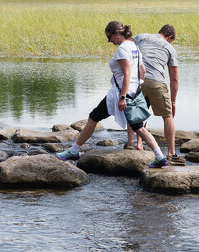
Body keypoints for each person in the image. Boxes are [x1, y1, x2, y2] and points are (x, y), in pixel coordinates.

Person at [57, 21, 168, 168]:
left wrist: (122, 97)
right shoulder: (134, 46)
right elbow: (143, 71)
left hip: (120, 93)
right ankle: (160, 156)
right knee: (139, 127)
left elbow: (127, 74)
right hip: (133, 92)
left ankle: (74, 151)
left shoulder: (123, 49)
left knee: (93, 117)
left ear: (117, 34)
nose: (109, 41)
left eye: (109, 37)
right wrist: (136, 87)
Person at [124, 24, 183, 164]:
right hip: (156, 81)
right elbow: (174, 78)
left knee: (136, 111)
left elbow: (126, 45)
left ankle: (132, 144)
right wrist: (173, 102)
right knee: (167, 116)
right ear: (169, 37)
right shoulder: (170, 48)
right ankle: (171, 154)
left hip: (136, 79)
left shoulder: (142, 37)